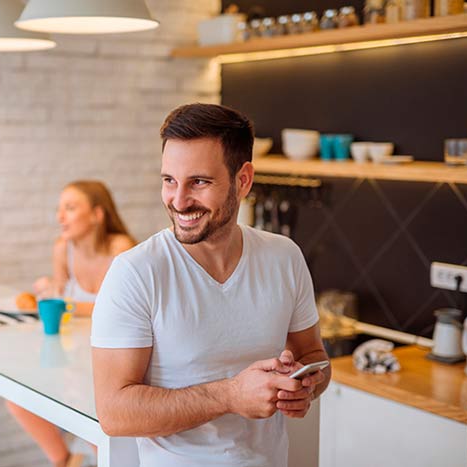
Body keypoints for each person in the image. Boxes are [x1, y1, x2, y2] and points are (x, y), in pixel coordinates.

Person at [91, 103, 331, 467]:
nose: (179, 200)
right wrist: (230, 396)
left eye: (199, 182)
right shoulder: (136, 272)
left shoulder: (284, 257)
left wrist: (306, 387)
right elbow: (114, 412)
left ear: (243, 180)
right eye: (169, 180)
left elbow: (314, 357)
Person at [6, 180, 136, 467]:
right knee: (17, 397)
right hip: (71, 357)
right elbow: (61, 297)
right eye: (59, 209)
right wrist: (48, 291)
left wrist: (64, 305)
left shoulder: (121, 249)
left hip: (109, 361)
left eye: (71, 208)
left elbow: (114, 311)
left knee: (92, 415)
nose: (60, 217)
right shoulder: (63, 249)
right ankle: (62, 460)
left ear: (97, 214)